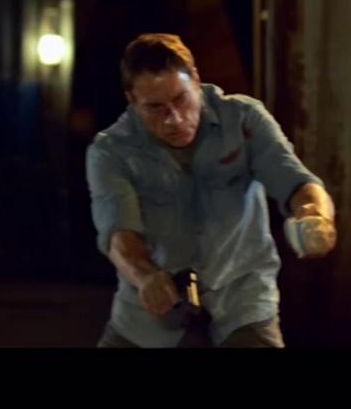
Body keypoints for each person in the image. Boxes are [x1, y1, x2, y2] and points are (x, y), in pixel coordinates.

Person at [86, 33, 337, 348]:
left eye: (180, 99)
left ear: (195, 79)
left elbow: (297, 181)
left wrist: (315, 215)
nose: (174, 119)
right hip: (153, 302)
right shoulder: (110, 151)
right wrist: (146, 276)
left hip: (240, 298)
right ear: (132, 100)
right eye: (155, 108)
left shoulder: (244, 119)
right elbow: (118, 234)